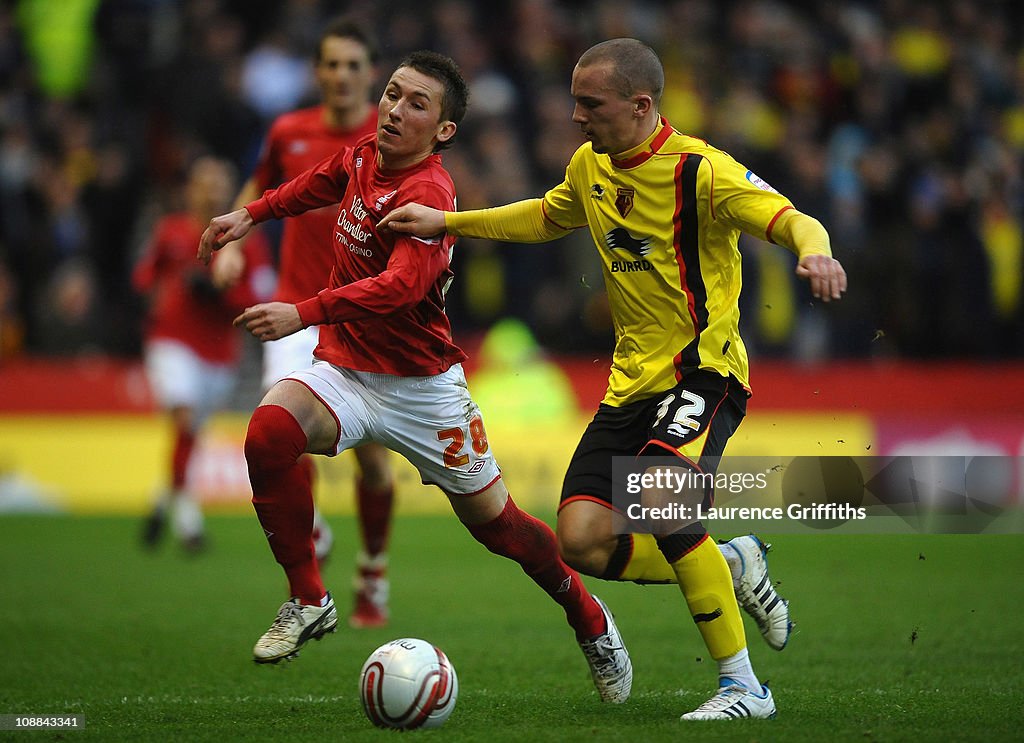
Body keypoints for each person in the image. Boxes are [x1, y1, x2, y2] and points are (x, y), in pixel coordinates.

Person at [381, 38, 848, 721]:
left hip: (703, 371)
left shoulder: (700, 171)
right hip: (630, 384)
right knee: (582, 539)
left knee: (662, 494)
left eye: (589, 104)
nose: (575, 116)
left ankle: (745, 685)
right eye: (574, 101)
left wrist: (819, 254)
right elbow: (546, 213)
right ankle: (735, 563)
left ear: (640, 105)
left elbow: (790, 218)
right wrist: (447, 221)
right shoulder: (589, 164)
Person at [197, 50, 633, 704]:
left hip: (422, 391)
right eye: (394, 94)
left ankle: (589, 617)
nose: (396, 109)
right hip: (346, 368)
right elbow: (319, 181)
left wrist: (304, 312)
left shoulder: (428, 191)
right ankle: (309, 597)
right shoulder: (365, 153)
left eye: (417, 103)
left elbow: (402, 287)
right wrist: (251, 216)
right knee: (268, 432)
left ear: (444, 130)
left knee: (502, 528)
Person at [211, 17, 396, 629]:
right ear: (316, 72)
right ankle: (311, 562)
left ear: (371, 75)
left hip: (361, 317)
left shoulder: (387, 137)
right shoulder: (289, 131)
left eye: (353, 65)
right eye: (331, 64)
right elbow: (261, 187)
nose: (341, 75)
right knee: (280, 435)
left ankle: (372, 567)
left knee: (371, 462)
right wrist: (237, 240)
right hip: (293, 314)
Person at [134, 156, 274, 553]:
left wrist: (222, 293)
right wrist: (161, 287)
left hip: (219, 351)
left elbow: (262, 293)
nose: (211, 191)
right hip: (172, 341)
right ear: (190, 189)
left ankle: (163, 501)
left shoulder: (249, 239)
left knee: (190, 430)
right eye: (204, 183)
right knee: (184, 413)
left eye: (219, 184)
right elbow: (144, 274)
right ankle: (188, 521)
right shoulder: (171, 230)